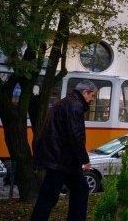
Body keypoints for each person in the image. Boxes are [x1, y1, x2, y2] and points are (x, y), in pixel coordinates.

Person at [30, 80, 97, 221]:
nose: (92, 99)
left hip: (61, 158)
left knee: (78, 189)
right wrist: (84, 160)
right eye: (92, 95)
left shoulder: (65, 103)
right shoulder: (75, 106)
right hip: (61, 160)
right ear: (85, 92)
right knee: (51, 196)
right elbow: (76, 136)